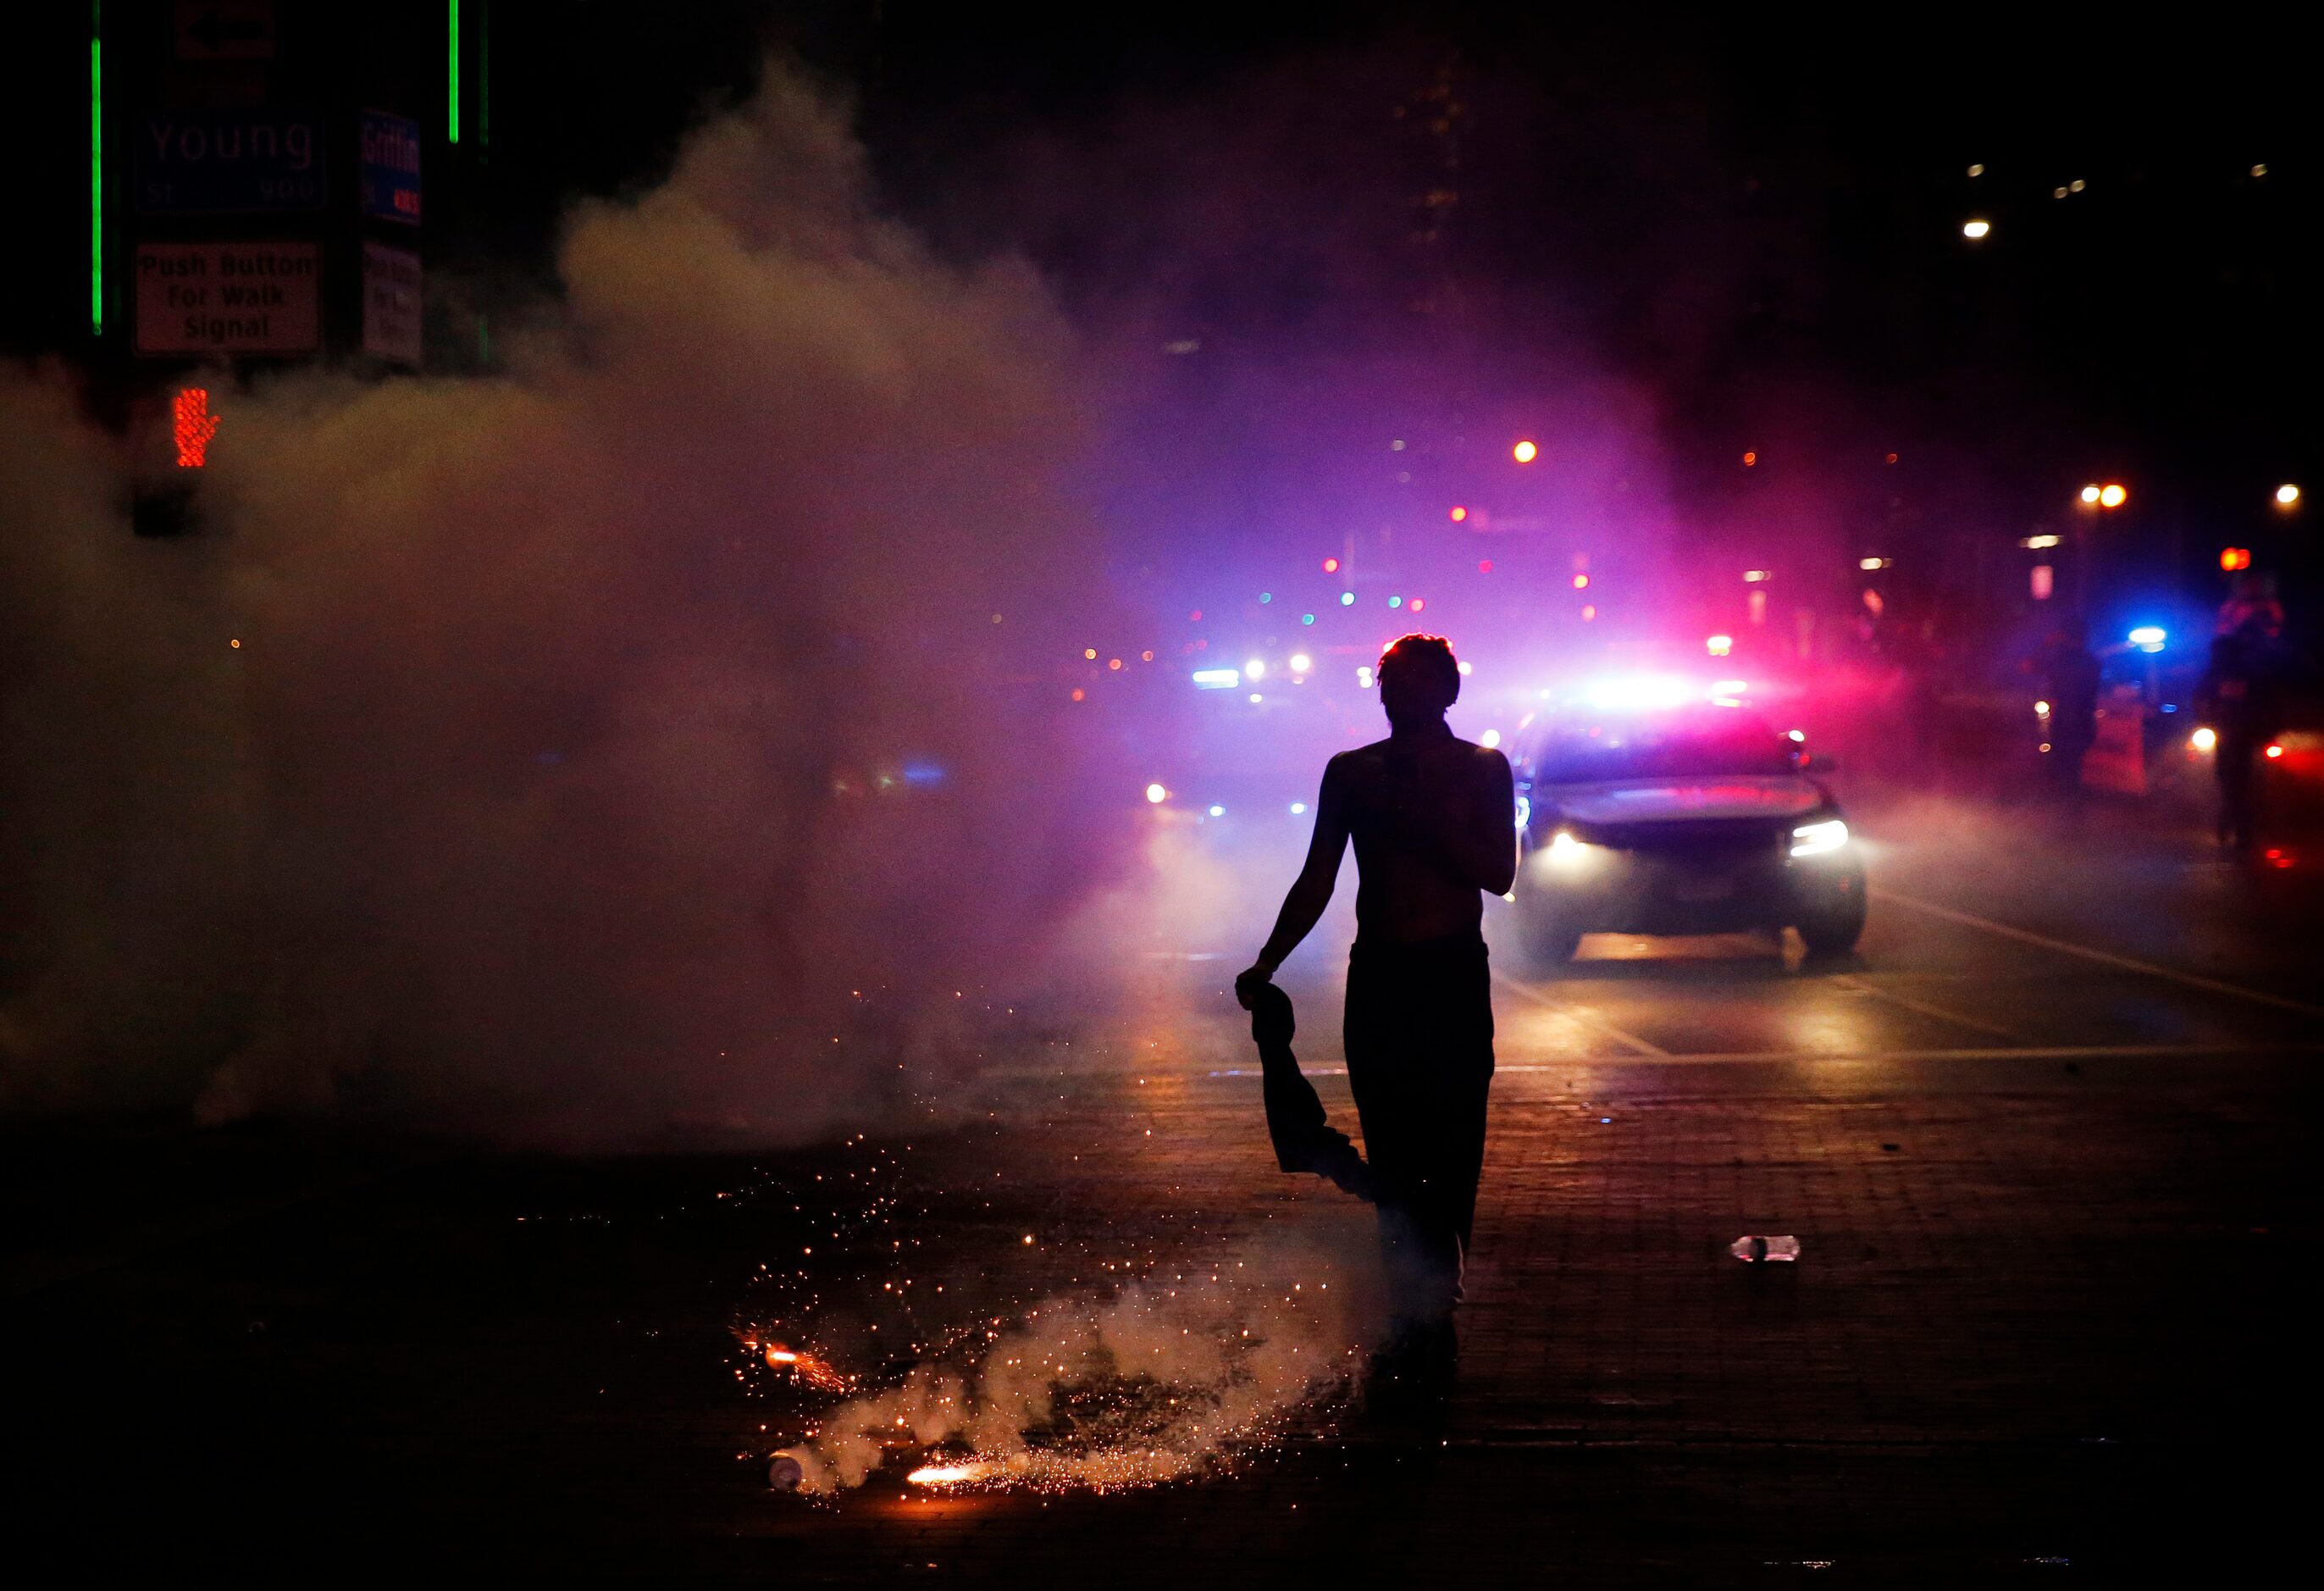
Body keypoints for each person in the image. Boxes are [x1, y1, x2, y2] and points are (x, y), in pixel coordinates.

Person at [1235, 634, 1515, 1328]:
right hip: (1382, 975)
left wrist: (1426, 819)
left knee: (1454, 1136)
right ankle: (1406, 1286)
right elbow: (1318, 878)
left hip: (1450, 970)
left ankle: (1442, 1272)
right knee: (1391, 1136)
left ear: (1447, 693)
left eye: (1415, 682)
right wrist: (1269, 960)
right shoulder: (1353, 773)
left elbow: (1499, 873)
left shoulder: (1481, 768)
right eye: (1390, 681)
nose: (1399, 695)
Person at [2194, 619, 2283, 852]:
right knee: (2236, 781)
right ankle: (2236, 823)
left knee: (2239, 781)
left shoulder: (2248, 670)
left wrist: (2268, 728)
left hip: (2242, 733)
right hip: (2234, 733)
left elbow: (2269, 701)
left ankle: (2239, 825)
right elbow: (2202, 697)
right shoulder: (2232, 669)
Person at [2036, 623, 2102, 794]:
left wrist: (2047, 644)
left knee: (2062, 766)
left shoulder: (2063, 662)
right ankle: (2072, 801)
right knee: (2073, 767)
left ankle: (2063, 801)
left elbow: (2028, 665)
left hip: (2066, 718)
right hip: (2084, 719)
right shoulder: (2092, 662)